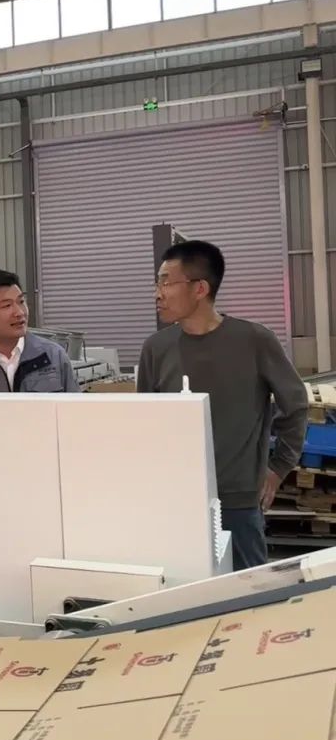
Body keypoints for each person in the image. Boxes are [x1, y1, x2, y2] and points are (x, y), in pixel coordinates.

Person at [137, 240, 307, 571]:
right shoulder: (155, 349)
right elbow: (146, 422)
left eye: (166, 282)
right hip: (175, 500)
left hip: (238, 501)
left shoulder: (254, 340)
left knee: (248, 590)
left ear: (200, 288)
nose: (157, 293)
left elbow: (296, 405)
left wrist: (278, 469)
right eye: (157, 283)